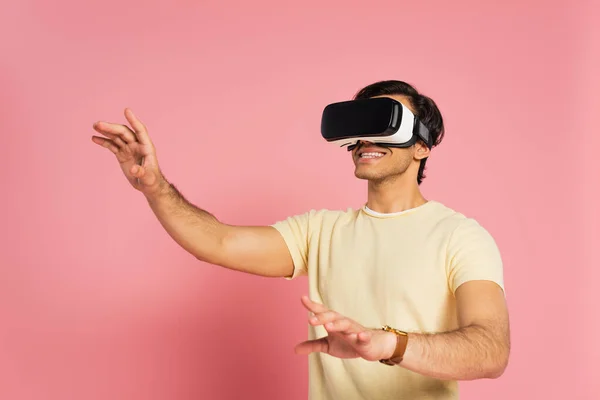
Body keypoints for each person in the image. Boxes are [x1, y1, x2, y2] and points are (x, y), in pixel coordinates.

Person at [91, 80, 510, 399]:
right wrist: (155, 186)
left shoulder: (460, 236)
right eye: (359, 126)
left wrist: (387, 343)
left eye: (383, 124)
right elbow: (217, 243)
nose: (365, 140)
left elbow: (491, 351)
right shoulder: (319, 230)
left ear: (421, 147)